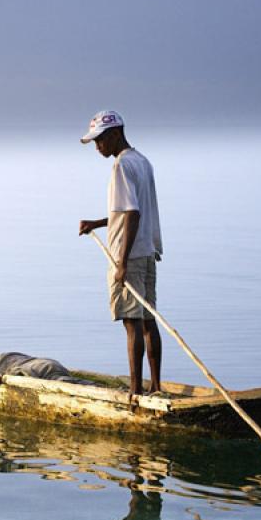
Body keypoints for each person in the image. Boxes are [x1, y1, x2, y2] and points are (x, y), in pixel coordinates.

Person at [77, 110, 164, 398]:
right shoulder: (142, 161)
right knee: (149, 321)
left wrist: (122, 262)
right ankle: (157, 387)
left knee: (132, 323)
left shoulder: (121, 167)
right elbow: (127, 212)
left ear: (115, 135)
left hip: (129, 256)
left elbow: (133, 214)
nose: (98, 147)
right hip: (147, 252)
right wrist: (97, 223)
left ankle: (136, 393)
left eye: (100, 141)